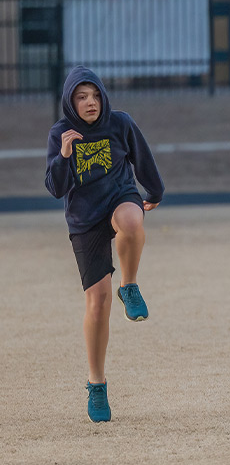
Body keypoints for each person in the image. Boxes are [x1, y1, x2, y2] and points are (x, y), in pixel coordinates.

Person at [44, 66, 164, 423]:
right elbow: (54, 188)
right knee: (97, 302)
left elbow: (142, 158)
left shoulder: (120, 123)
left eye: (94, 95)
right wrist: (64, 156)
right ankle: (97, 383)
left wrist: (154, 190)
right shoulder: (60, 133)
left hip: (118, 195)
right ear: (70, 102)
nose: (90, 102)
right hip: (84, 218)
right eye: (82, 97)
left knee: (131, 220)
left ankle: (130, 285)